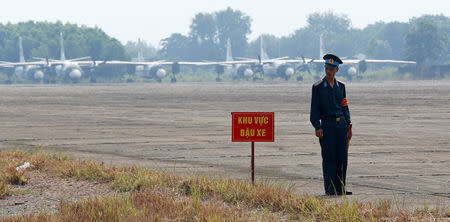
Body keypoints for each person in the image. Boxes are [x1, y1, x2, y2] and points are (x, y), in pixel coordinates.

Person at [310, 54, 352, 195]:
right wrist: (317, 126)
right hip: (327, 126)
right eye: (327, 68)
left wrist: (349, 123)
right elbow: (314, 109)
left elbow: (344, 106)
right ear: (325, 68)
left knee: (342, 158)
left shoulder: (341, 86)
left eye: (332, 69)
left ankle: (341, 188)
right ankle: (330, 188)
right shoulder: (318, 87)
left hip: (341, 126)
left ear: (337, 70)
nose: (329, 71)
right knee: (329, 157)